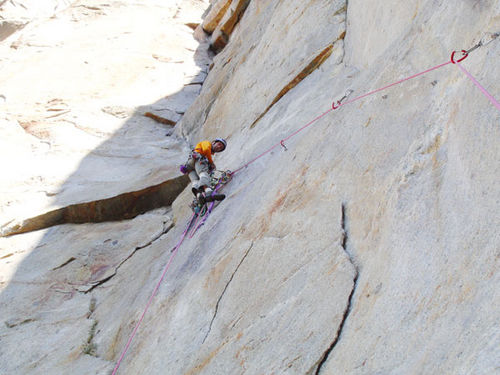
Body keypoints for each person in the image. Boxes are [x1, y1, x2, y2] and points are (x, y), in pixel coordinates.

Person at [180, 138, 227, 204]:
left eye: (220, 148)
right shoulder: (207, 143)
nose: (219, 147)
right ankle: (209, 193)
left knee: (195, 181)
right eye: (219, 144)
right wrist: (211, 163)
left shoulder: (208, 154)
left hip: (189, 166)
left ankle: (199, 196)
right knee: (203, 174)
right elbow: (206, 149)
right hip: (198, 159)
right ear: (213, 142)